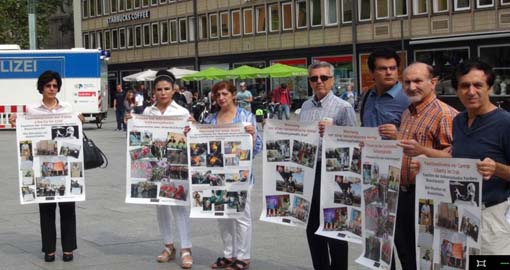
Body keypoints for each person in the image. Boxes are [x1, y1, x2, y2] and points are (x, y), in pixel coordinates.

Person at [388, 62, 458, 270]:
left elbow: (455, 160)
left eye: (417, 81)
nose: (411, 86)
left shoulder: (444, 114)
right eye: (407, 82)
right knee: (406, 253)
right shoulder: (407, 113)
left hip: (429, 199)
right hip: (402, 195)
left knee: (427, 257)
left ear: (433, 82)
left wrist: (423, 154)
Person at [9, 70, 80, 262]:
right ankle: (49, 248)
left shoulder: (67, 107)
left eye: (55, 86)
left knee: (68, 207)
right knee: (46, 208)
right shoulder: (32, 110)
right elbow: (27, 133)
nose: (52, 89)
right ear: (41, 88)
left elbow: (74, 130)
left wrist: (78, 121)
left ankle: (68, 248)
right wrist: (16, 122)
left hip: (65, 162)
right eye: (48, 85)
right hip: (42, 164)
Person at [127, 70, 193, 269]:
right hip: (155, 164)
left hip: (175, 164)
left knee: (178, 205)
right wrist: (131, 123)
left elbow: (190, 138)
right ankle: (168, 245)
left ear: (174, 90)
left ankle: (186, 248)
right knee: (161, 206)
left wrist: (193, 128)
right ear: (153, 92)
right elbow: (141, 135)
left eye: (166, 89)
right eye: (159, 89)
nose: (163, 93)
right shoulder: (148, 112)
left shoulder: (182, 112)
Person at [299, 61, 356, 270]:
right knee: (312, 226)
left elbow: (354, 143)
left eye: (324, 77)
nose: (319, 82)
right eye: (314, 78)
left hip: (333, 172)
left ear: (332, 80)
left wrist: (334, 132)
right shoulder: (305, 106)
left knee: (335, 226)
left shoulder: (344, 107)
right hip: (310, 170)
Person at [449, 60, 510, 254]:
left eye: (478, 85)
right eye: (465, 86)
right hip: (461, 213)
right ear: (457, 90)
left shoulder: (505, 122)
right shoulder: (458, 121)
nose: (471, 91)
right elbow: (457, 160)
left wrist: (497, 169)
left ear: (490, 88)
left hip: (493, 217)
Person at [205, 81, 262, 270]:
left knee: (241, 216)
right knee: (222, 216)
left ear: (233, 95)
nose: (221, 98)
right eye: (217, 95)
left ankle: (244, 256)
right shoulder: (211, 119)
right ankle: (229, 254)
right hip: (218, 175)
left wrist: (253, 136)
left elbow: (257, 148)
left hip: (240, 176)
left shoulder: (246, 117)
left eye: (224, 94)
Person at [359, 48, 410, 138]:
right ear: (371, 72)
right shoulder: (367, 95)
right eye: (383, 69)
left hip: (397, 151)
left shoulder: (409, 98)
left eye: (393, 68)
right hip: (368, 150)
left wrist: (398, 136)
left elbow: (421, 139)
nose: (389, 72)